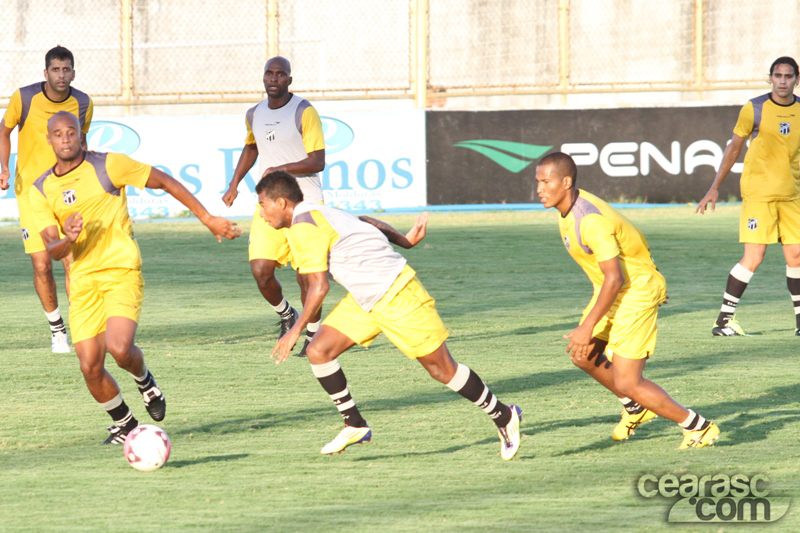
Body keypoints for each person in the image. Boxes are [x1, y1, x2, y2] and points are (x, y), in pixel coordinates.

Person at [257, 171, 522, 460]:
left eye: (262, 205)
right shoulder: (317, 212)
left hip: (397, 292)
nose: (261, 213)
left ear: (281, 203)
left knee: (442, 370)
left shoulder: (303, 226)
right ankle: (355, 424)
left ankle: (504, 415)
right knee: (319, 350)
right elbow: (365, 221)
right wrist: (404, 240)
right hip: (365, 298)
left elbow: (319, 287)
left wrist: (294, 331)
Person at [29, 111, 241, 443]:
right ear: (49, 140)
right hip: (83, 282)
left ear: (81, 135)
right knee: (89, 366)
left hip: (121, 270)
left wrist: (207, 218)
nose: (66, 138)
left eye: (71, 132)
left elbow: (165, 181)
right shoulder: (41, 189)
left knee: (119, 348)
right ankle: (125, 424)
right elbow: (53, 250)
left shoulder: (109, 165)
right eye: (58, 134)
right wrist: (69, 238)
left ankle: (144, 379)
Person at [536, 152, 719, 449]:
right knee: (583, 355)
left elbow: (615, 277)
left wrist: (590, 323)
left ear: (566, 182)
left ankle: (698, 427)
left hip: (633, 291)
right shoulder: (567, 209)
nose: (540, 189)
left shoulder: (589, 220)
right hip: (615, 288)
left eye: (546, 182)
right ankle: (636, 408)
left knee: (628, 381)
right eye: (538, 182)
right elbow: (630, 238)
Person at [222, 56, 325, 357]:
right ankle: (286, 314)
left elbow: (317, 160)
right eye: (269, 73)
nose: (274, 79)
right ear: (264, 77)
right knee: (261, 269)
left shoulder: (304, 111)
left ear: (289, 80)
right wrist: (234, 183)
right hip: (269, 205)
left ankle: (312, 336)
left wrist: (280, 169)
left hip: (305, 204)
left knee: (306, 277)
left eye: (281, 74)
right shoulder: (254, 113)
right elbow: (252, 146)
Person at [696, 56, 800, 337]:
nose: (782, 81)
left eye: (788, 76)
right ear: (770, 78)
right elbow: (734, 148)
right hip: (759, 195)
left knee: (796, 256)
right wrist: (714, 187)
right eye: (777, 75)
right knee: (754, 256)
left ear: (796, 79)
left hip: (792, 196)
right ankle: (723, 322)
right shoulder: (754, 108)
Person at [0, 45, 93, 353]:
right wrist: (4, 168)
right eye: (55, 70)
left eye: (66, 70)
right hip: (31, 192)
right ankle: (57, 331)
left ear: (73, 73)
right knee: (42, 265)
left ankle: (83, 328)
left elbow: (82, 144)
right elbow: (4, 131)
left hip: (67, 193)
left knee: (72, 261)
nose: (61, 75)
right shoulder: (24, 97)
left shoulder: (83, 102)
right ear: (46, 73)